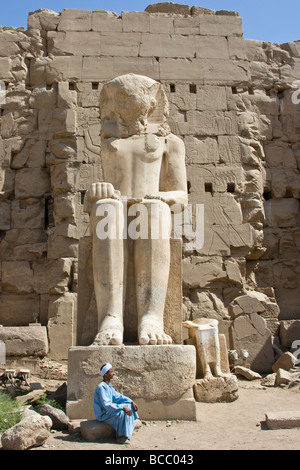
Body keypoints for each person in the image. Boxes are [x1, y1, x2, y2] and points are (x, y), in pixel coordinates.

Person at [93, 363, 139, 444]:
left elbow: (117, 397)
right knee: (122, 412)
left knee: (128, 405)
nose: (113, 373)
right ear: (106, 374)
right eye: (111, 371)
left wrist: (131, 401)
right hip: (104, 414)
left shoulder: (109, 385)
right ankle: (120, 436)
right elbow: (107, 405)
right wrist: (122, 407)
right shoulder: (101, 387)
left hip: (109, 411)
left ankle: (128, 430)